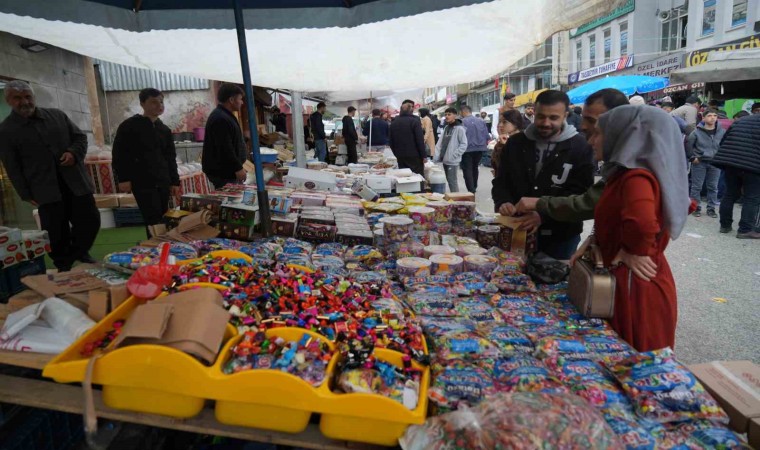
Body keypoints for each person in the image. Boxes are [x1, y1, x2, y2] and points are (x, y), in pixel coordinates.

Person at [572, 105, 690, 351]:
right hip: (632, 281)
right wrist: (596, 240)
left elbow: (642, 223)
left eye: (598, 133)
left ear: (625, 135)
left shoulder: (636, 177)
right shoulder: (626, 174)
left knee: (631, 356)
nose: (592, 141)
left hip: (634, 286)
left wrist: (635, 250)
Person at [0, 80, 100, 271]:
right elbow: (12, 166)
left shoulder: (57, 115)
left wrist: (73, 153)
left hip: (76, 183)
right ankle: (62, 263)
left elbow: (79, 138)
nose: (24, 102)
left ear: (33, 97)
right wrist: (25, 193)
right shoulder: (6, 130)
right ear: (9, 101)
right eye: (17, 98)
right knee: (56, 231)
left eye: (28, 96)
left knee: (90, 221)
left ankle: (78, 253)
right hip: (44, 188)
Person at [492, 89, 594, 260]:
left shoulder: (580, 147)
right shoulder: (516, 143)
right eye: (541, 117)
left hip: (561, 237)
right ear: (534, 113)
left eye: (553, 118)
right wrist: (503, 201)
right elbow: (501, 181)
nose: (546, 123)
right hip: (516, 230)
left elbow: (581, 194)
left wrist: (543, 215)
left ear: (565, 116)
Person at [514, 88, 629, 221]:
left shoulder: (634, 171)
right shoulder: (617, 164)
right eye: (583, 118)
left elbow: (586, 202)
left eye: (592, 121)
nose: (583, 126)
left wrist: (540, 205)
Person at [112, 88, 181, 238]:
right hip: (142, 181)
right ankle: (154, 245)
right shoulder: (129, 126)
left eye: (161, 102)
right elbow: (119, 155)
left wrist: (175, 181)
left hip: (163, 180)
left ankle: (162, 244)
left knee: (163, 216)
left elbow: (170, 158)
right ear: (142, 104)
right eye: (154, 102)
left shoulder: (165, 130)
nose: (159, 105)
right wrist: (123, 178)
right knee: (152, 218)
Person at [712, 113, 760, 238]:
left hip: (731, 163)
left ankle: (725, 225)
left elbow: (724, 140)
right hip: (753, 166)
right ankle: (745, 230)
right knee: (752, 197)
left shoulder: (741, 120)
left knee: (730, 194)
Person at [202, 83, 248, 189]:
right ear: (231, 100)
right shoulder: (220, 118)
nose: (242, 102)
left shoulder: (226, 115)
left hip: (228, 171)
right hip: (223, 173)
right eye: (240, 99)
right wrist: (237, 168)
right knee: (229, 197)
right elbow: (225, 147)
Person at [686, 109, 725, 218]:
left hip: (715, 162)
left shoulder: (721, 131)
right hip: (700, 162)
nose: (712, 118)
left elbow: (725, 145)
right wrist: (692, 158)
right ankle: (695, 207)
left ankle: (711, 208)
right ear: (703, 118)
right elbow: (688, 145)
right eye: (709, 115)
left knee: (713, 186)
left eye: (715, 116)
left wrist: (721, 158)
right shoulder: (696, 132)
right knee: (696, 186)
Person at [388, 99, 426, 175]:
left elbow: (391, 140)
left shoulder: (394, 122)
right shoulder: (415, 121)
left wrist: (396, 153)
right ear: (411, 110)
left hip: (400, 155)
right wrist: (423, 155)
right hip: (414, 156)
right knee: (416, 177)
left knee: (404, 176)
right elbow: (419, 140)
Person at [434, 107, 468, 193]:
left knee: (452, 181)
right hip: (445, 159)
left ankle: (456, 198)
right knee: (449, 180)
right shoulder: (446, 127)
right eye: (446, 114)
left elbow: (464, 144)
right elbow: (440, 143)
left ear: (455, 115)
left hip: (452, 161)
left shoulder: (459, 128)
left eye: (449, 114)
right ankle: (454, 197)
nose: (447, 116)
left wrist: (454, 155)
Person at [459, 105, 490, 193]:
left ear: (463, 111)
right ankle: (474, 186)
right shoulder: (481, 121)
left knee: (467, 169)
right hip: (480, 148)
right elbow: (487, 135)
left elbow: (459, 136)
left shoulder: (462, 122)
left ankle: (471, 189)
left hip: (467, 149)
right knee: (474, 167)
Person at [490, 109, 525, 175]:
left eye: (504, 122)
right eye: (499, 122)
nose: (500, 125)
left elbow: (515, 166)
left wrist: (504, 147)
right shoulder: (503, 140)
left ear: (515, 124)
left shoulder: (523, 141)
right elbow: (495, 164)